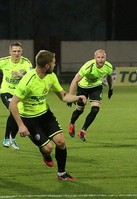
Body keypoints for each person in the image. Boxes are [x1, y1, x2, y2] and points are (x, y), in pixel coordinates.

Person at [9, 50, 87, 180]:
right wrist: (21, 126)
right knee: (48, 148)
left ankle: (62, 174)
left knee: (61, 142)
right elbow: (13, 104)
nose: (54, 65)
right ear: (47, 66)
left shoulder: (51, 76)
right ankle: (45, 154)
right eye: (53, 63)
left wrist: (78, 98)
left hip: (46, 115)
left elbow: (63, 96)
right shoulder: (27, 82)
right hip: (30, 119)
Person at [67, 49, 113, 141]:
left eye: (102, 57)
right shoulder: (88, 67)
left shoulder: (108, 66)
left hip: (96, 87)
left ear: (105, 58)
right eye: (98, 57)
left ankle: (83, 131)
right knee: (80, 110)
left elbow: (109, 77)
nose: (100, 60)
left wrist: (110, 88)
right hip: (83, 87)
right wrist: (70, 96)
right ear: (95, 58)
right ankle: (72, 123)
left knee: (95, 109)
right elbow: (75, 80)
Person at [0, 42, 32, 150]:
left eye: (18, 51)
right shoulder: (4, 62)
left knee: (19, 114)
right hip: (6, 91)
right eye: (14, 51)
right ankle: (5, 138)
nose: (16, 53)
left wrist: (20, 75)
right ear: (10, 52)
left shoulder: (26, 63)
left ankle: (12, 138)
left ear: (21, 51)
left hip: (19, 93)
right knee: (13, 110)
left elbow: (31, 78)